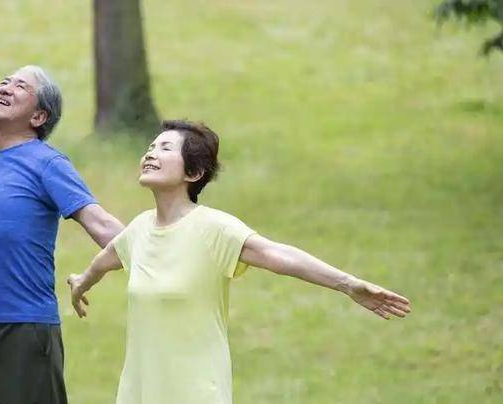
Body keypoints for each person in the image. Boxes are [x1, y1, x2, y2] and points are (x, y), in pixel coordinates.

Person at [66, 120, 411, 404]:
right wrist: (81, 282)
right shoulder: (138, 231)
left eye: (165, 148)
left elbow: (279, 254)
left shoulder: (214, 229)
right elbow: (104, 261)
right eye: (151, 147)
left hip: (196, 393)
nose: (150, 154)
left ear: (193, 172)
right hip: (139, 393)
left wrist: (347, 284)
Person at [0, 65, 124, 404]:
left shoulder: (47, 163)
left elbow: (102, 225)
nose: (5, 88)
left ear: (38, 117)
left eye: (20, 86)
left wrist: (161, 249)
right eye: (4, 81)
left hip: (25, 329)